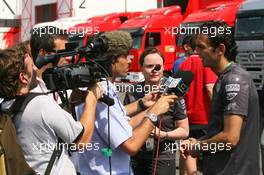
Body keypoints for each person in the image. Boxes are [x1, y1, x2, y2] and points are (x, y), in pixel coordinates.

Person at [76, 31, 179, 175]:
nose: (130, 60)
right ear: (111, 61)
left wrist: (143, 105)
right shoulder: (101, 93)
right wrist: (155, 112)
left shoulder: (100, 87)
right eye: (125, 56)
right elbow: (131, 145)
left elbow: (124, 124)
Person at [0, 43, 103, 175]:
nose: (36, 69)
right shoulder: (41, 104)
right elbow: (81, 141)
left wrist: (70, 103)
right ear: (23, 78)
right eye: (32, 66)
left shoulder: (5, 108)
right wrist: (92, 99)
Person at [181, 21, 260, 175]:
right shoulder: (225, 78)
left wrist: (198, 147)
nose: (196, 51)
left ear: (220, 50)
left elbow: (230, 138)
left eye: (202, 47)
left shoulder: (234, 80)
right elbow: (220, 131)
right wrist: (198, 142)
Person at [123, 47, 189, 175]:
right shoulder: (132, 92)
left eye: (158, 66)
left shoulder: (173, 91)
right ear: (141, 68)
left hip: (163, 156)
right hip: (136, 155)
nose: (154, 70)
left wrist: (163, 134)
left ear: (164, 67)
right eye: (149, 66)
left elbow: (184, 130)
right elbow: (124, 124)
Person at [178, 35, 217, 175]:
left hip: (187, 117)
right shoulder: (206, 63)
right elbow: (210, 88)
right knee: (207, 155)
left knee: (186, 150)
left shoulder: (184, 63)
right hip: (204, 117)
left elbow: (179, 92)